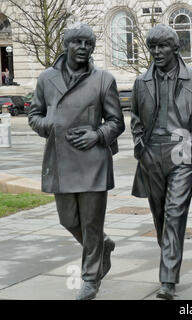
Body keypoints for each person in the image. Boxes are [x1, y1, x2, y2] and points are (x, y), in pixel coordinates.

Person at [28, 22, 125, 300]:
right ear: (65, 45)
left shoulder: (103, 79)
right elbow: (34, 114)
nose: (83, 48)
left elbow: (117, 122)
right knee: (68, 219)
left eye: (88, 44)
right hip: (61, 160)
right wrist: (51, 125)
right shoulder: (47, 78)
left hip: (94, 161)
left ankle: (90, 279)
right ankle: (103, 246)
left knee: (92, 223)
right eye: (77, 42)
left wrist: (97, 135)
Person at [130, 24, 192, 300]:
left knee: (175, 214)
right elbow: (135, 119)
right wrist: (140, 144)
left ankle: (167, 279)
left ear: (175, 48)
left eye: (162, 46)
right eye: (152, 47)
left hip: (183, 154)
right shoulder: (141, 82)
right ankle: (169, 255)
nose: (156, 52)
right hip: (152, 155)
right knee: (160, 216)